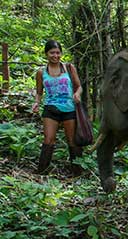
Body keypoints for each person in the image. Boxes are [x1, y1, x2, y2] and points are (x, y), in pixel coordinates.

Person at [31, 39, 83, 175]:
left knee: (72, 141)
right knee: (48, 140)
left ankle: (78, 172)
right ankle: (42, 172)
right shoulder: (41, 72)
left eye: (58, 53)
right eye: (52, 53)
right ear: (46, 54)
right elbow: (39, 92)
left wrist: (77, 94)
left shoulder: (69, 68)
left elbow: (79, 87)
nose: (55, 56)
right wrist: (36, 102)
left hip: (69, 108)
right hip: (50, 108)